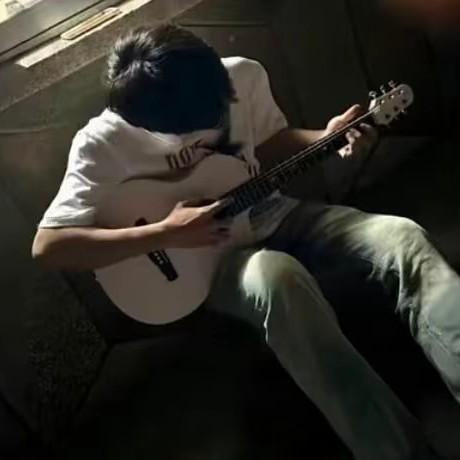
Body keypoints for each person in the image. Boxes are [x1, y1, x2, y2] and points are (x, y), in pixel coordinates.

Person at [31, 23, 459, 460]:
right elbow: (49, 246)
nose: (221, 114)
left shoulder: (240, 75)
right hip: (212, 263)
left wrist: (327, 139)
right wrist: (168, 233)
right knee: (278, 279)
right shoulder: (101, 143)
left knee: (401, 236)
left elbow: (267, 147)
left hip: (277, 215)